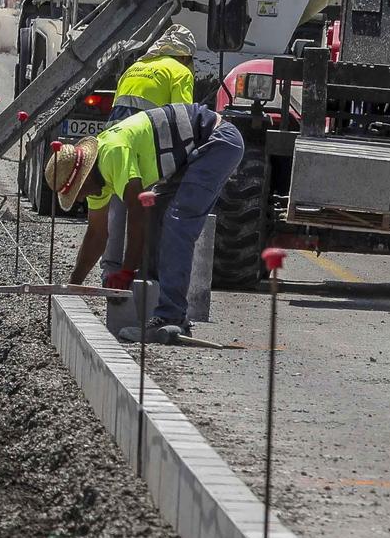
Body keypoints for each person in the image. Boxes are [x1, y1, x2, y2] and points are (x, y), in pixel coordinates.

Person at [46, 99, 244, 344]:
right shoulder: (98, 182)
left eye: (79, 191)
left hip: (217, 141)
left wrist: (126, 271)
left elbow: (136, 213)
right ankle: (153, 310)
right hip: (192, 153)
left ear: (84, 176)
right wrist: (73, 287)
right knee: (157, 216)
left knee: (177, 223)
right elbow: (97, 234)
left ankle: (171, 317)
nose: (81, 197)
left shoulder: (112, 153)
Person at [99, 24, 199, 282]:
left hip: (115, 141)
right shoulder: (180, 72)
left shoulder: (134, 68)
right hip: (148, 143)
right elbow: (182, 116)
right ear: (185, 56)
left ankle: (110, 271)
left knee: (118, 205)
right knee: (147, 207)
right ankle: (141, 272)